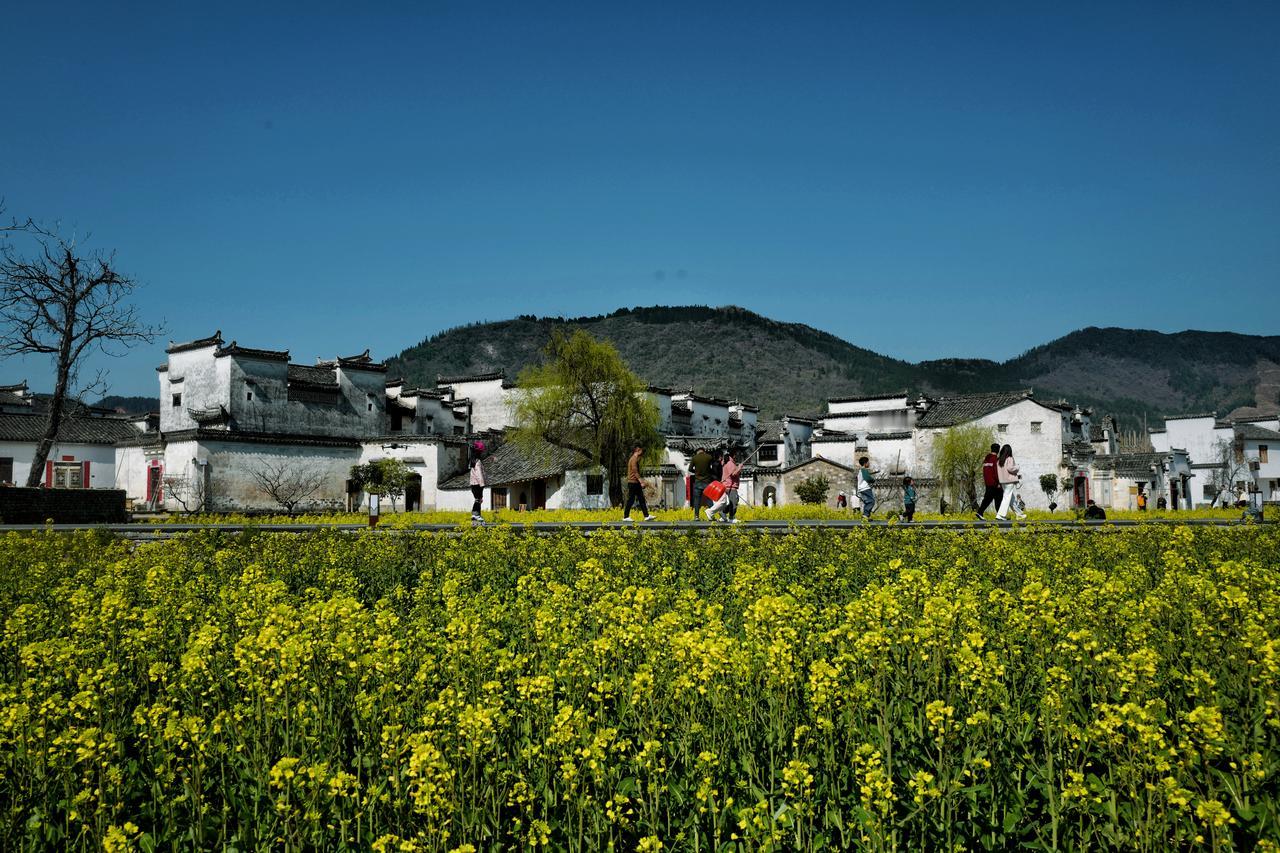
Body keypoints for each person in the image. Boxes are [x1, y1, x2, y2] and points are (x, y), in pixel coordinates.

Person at [623, 443, 656, 521]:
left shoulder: (633, 459)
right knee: (631, 499)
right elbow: (635, 471)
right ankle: (626, 516)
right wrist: (641, 481)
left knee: (641, 499)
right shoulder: (633, 459)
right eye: (641, 451)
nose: (642, 453)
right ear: (638, 450)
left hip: (635, 482)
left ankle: (646, 516)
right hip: (633, 482)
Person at [708, 448, 742, 523]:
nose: (738, 456)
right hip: (730, 485)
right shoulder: (730, 463)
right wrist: (739, 468)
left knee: (730, 502)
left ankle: (723, 514)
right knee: (734, 501)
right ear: (733, 455)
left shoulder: (727, 462)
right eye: (737, 454)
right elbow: (733, 474)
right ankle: (731, 517)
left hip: (726, 485)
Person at [994, 444, 1026, 521]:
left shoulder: (999, 460)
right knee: (1006, 497)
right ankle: (1000, 515)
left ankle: (1019, 514)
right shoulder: (1009, 458)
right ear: (1009, 451)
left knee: (1011, 499)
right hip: (1009, 481)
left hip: (1002, 481)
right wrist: (1017, 466)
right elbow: (1010, 468)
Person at [976, 443, 1003, 519]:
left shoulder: (986, 459)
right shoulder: (995, 459)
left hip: (988, 482)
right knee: (997, 498)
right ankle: (981, 512)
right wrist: (998, 482)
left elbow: (985, 471)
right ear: (998, 450)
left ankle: (981, 512)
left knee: (990, 498)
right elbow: (996, 472)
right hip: (994, 483)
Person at [689, 446, 713, 520]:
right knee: (709, 499)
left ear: (698, 451)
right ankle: (711, 516)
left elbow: (690, 469)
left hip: (698, 482)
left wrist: (696, 472)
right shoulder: (709, 457)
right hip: (707, 481)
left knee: (697, 500)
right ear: (704, 451)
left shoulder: (694, 458)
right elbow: (712, 468)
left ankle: (696, 516)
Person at [469, 441, 486, 523]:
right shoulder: (478, 462)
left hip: (473, 484)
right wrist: (482, 484)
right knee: (478, 499)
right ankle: (476, 514)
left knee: (478, 499)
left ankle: (476, 514)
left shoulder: (472, 461)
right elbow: (479, 474)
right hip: (478, 483)